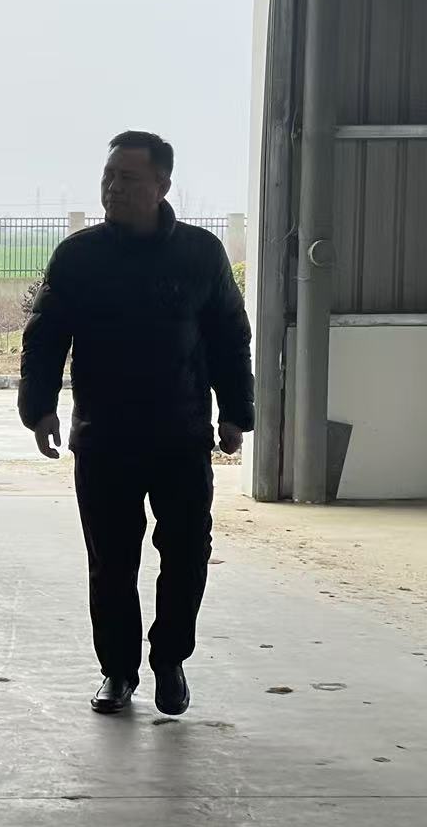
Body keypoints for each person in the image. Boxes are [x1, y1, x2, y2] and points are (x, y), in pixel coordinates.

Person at [18, 131, 252, 717]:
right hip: (104, 437)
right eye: (108, 177)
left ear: (162, 185)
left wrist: (236, 412)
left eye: (128, 178)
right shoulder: (79, 257)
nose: (113, 188)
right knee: (112, 562)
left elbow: (229, 336)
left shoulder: (199, 255)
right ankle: (117, 671)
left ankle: (169, 658)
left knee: (188, 552)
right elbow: (45, 337)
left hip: (181, 435)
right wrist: (39, 407)